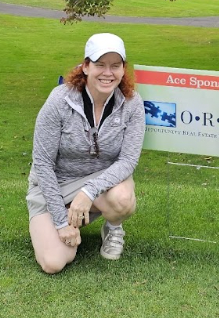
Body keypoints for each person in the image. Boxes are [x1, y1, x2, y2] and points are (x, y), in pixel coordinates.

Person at [26, 33, 145, 274]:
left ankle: (113, 228)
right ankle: (68, 220)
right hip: (55, 184)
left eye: (115, 65)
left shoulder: (132, 103)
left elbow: (128, 160)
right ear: (86, 66)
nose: (107, 73)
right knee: (53, 262)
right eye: (100, 64)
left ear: (123, 69)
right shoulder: (59, 100)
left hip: (100, 184)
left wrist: (88, 192)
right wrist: (60, 222)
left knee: (122, 198)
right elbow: (42, 163)